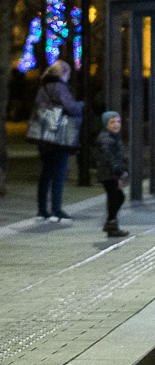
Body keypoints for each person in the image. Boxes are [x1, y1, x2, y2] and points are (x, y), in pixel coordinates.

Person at [31, 60, 83, 223]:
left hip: (44, 136)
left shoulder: (43, 87)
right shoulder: (60, 86)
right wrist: (80, 104)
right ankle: (56, 209)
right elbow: (71, 107)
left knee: (46, 174)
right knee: (59, 174)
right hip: (59, 137)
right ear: (64, 74)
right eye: (67, 75)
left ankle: (41, 210)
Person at [94, 111, 129, 238]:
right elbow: (109, 157)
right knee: (118, 197)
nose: (116, 125)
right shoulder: (106, 139)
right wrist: (119, 170)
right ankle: (110, 223)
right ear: (106, 124)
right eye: (112, 122)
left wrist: (122, 168)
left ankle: (112, 227)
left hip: (112, 173)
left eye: (118, 121)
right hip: (108, 174)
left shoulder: (114, 137)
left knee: (114, 198)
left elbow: (118, 157)